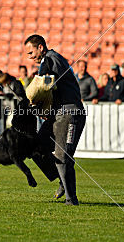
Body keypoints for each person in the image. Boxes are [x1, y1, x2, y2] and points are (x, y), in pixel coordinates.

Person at [24, 34, 86, 206]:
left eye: (31, 52)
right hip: (57, 112)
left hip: (69, 112)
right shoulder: (49, 60)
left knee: (62, 156)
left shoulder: (51, 59)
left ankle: (71, 199)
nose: (30, 57)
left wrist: (33, 100)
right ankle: (61, 180)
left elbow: (44, 85)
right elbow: (52, 89)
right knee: (36, 147)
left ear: (41, 48)